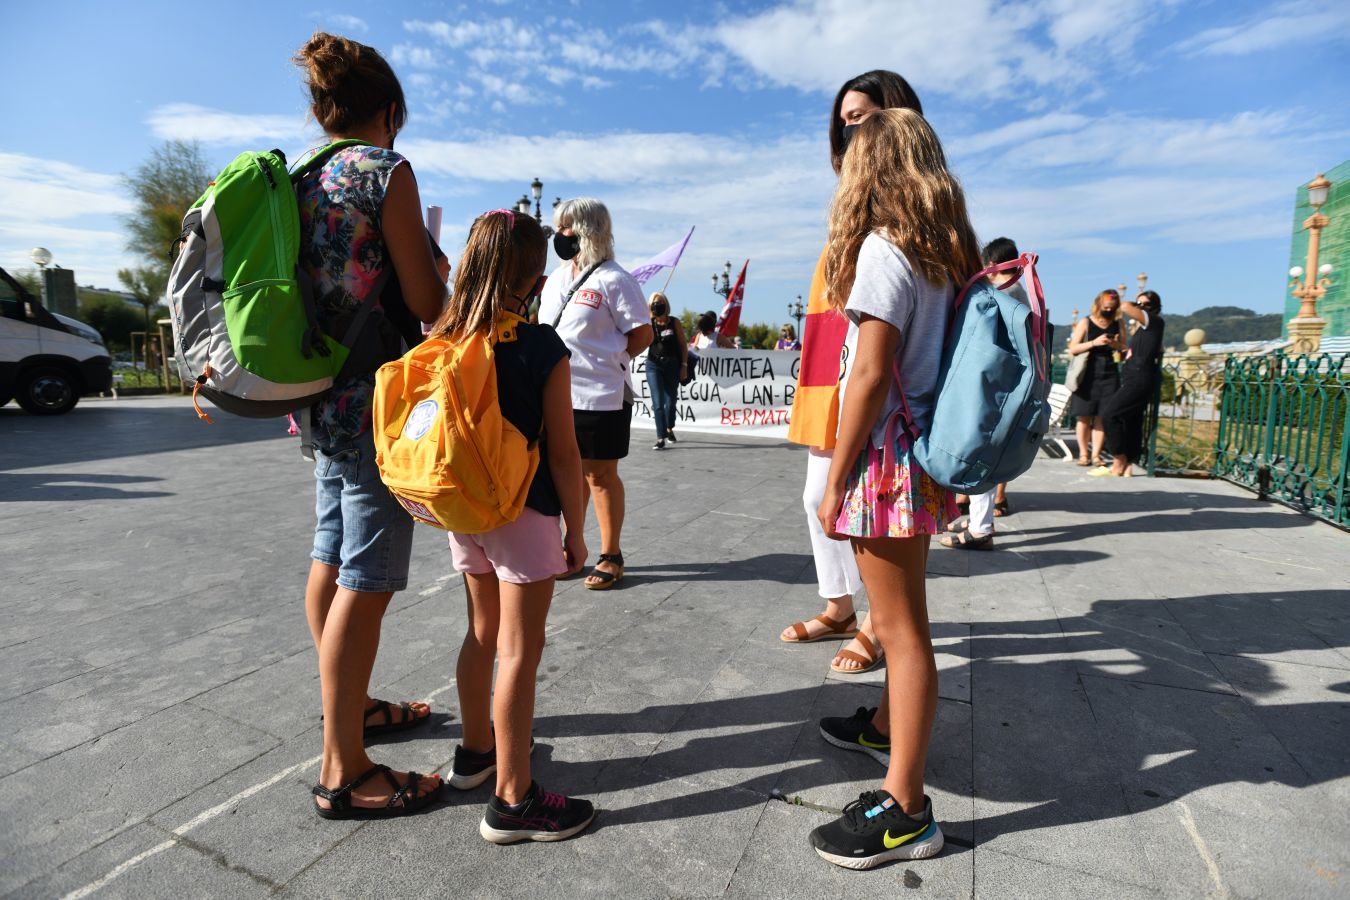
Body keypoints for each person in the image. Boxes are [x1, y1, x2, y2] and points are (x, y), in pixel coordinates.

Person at [810, 107, 975, 869]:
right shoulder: (944, 251)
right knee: (905, 625)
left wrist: (835, 480)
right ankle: (900, 785)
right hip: (922, 455)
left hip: (884, 461)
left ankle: (906, 807)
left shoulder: (884, 249)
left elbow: (870, 375)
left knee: (901, 633)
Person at [294, 32, 447, 819]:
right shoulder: (385, 173)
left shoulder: (304, 176)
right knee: (369, 575)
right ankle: (345, 769)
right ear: (388, 111)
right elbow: (426, 304)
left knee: (330, 554)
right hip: (378, 401)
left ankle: (344, 714)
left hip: (319, 395)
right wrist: (435, 258)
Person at [437, 209, 594, 843]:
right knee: (520, 652)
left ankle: (476, 752)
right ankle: (514, 798)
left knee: (481, 633)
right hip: (524, 512)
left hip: (463, 509)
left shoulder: (443, 338)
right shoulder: (541, 348)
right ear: (534, 278)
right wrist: (577, 533)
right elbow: (564, 452)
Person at [780, 69, 924, 680]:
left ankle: (875, 622)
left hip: (871, 355)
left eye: (860, 116)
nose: (846, 129)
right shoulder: (851, 191)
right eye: (842, 119)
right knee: (817, 495)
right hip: (831, 342)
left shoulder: (907, 199)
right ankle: (841, 606)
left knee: (864, 503)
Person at [538, 199, 652, 590]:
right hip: (557, 395)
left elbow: (642, 333)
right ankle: (573, 549)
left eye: (567, 227)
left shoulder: (616, 279)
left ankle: (611, 553)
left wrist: (611, 360)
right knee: (566, 474)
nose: (561, 236)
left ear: (589, 231)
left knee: (600, 475)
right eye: (559, 227)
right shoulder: (555, 278)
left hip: (602, 395)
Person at [941, 236, 1028, 550]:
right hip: (1004, 387)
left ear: (991, 265)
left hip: (993, 388)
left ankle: (980, 529)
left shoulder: (1003, 295)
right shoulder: (1020, 292)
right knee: (981, 454)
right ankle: (977, 521)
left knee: (979, 454)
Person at [1093, 290, 1166, 477]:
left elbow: (1124, 306)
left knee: (1110, 414)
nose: (1140, 307)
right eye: (1139, 304)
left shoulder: (1155, 322)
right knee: (1132, 421)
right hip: (1133, 377)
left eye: (1145, 305)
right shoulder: (1144, 329)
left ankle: (1119, 457)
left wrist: (1134, 302)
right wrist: (1118, 347)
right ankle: (1129, 461)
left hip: (1140, 378)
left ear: (1155, 308)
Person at [1067, 290, 1125, 465]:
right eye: (1106, 304)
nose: (1108, 308)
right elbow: (1073, 348)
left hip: (1109, 373)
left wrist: (1115, 344)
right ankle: (1084, 454)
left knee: (1102, 416)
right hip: (1087, 373)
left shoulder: (1118, 322)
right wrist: (1094, 342)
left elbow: (1124, 348)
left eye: (1112, 306)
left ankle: (1096, 455)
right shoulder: (1086, 321)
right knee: (1084, 416)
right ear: (1099, 303)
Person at [645, 292, 687, 449]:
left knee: (671, 401)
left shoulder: (674, 322)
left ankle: (669, 427)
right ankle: (660, 437)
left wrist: (684, 366)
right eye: (654, 303)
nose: (658, 305)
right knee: (658, 402)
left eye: (660, 302)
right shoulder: (648, 323)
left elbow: (683, 345)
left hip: (672, 365)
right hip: (653, 365)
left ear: (666, 304)